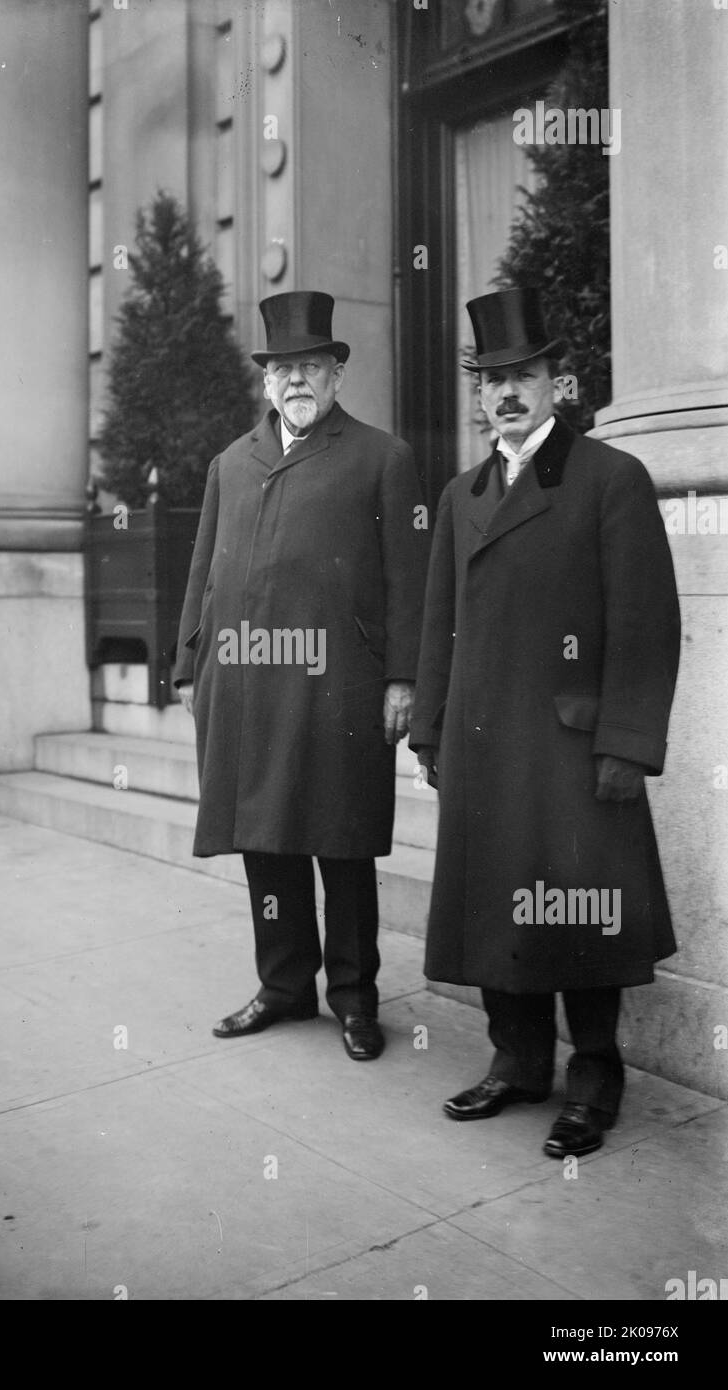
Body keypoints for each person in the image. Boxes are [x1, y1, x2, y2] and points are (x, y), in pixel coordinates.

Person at [409, 286, 681, 1157]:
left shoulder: (610, 479)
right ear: (479, 396)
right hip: (484, 744)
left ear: (559, 384)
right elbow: (438, 619)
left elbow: (645, 627)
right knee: (497, 909)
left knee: (576, 915)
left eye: (524, 374)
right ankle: (517, 1064)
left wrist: (627, 745)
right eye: (491, 380)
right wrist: (430, 727)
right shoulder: (461, 494)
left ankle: (592, 1083)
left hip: (572, 747)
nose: (508, 393)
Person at [174, 290, 428, 1061]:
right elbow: (202, 568)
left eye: (311, 366)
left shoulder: (383, 457)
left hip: (340, 688)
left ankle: (353, 998)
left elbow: (408, 579)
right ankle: (283, 987)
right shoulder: (230, 463)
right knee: (266, 840)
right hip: (247, 685)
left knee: (341, 841)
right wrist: (189, 661)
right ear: (264, 382)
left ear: (337, 376)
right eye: (283, 369)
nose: (296, 381)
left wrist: (402, 679)